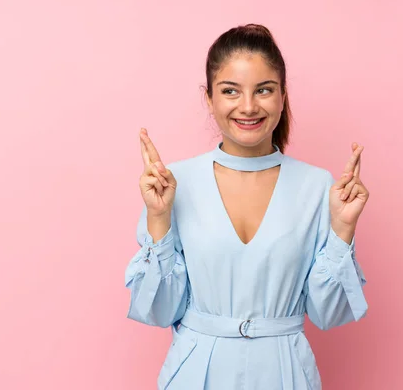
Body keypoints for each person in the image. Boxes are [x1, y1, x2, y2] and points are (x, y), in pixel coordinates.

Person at [125, 23, 369, 390]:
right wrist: (159, 217)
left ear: (283, 96)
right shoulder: (173, 184)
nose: (248, 106)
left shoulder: (319, 187)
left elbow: (327, 314)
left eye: (264, 90)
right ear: (209, 99)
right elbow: (159, 311)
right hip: (196, 376)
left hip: (285, 375)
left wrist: (343, 230)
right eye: (230, 91)